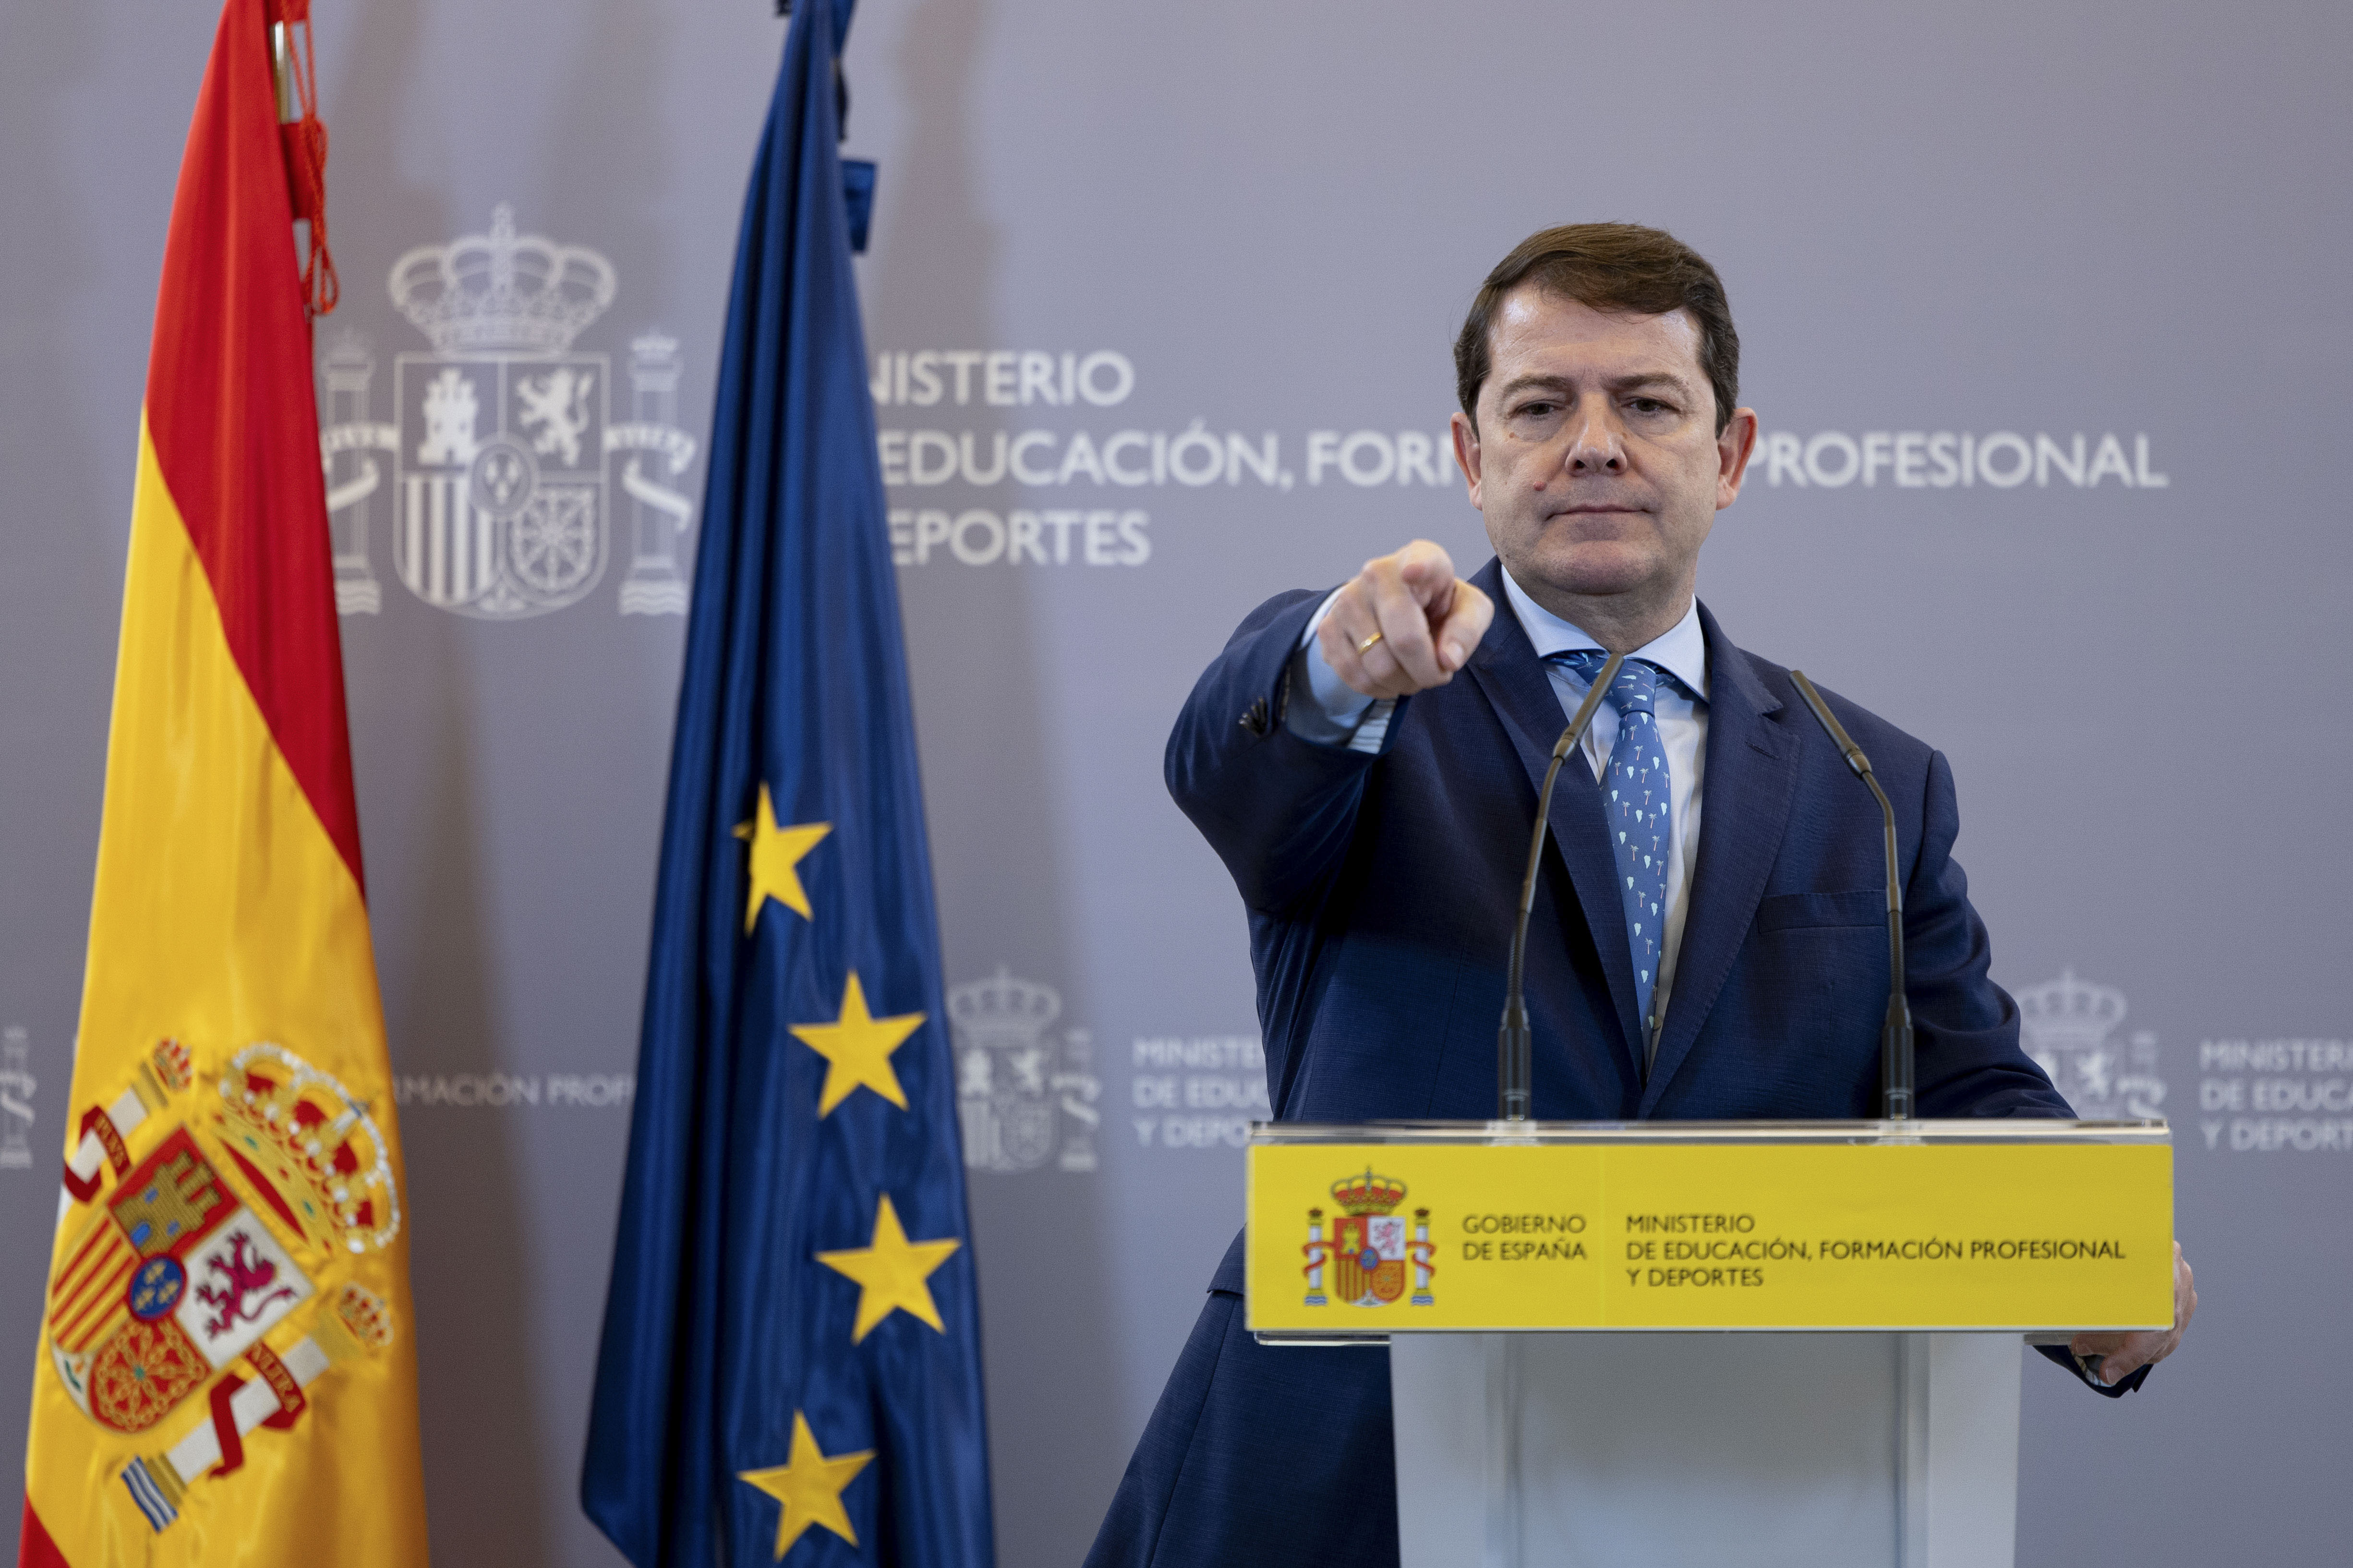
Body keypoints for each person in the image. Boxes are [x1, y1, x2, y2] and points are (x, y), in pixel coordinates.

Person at [1084, 224, 2197, 1568]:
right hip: (1348, 1472)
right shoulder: (1368, 704)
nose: (1594, 442)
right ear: (1469, 456)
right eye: (1541, 406)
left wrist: (2094, 1251)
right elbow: (1229, 758)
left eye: (1648, 403)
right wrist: (1330, 656)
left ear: (1728, 458)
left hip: (1739, 1474)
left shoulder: (1871, 778)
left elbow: (1964, 1091)